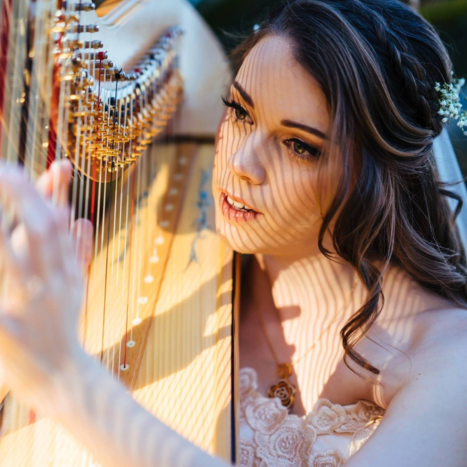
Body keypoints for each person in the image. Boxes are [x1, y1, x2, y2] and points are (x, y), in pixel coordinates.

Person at [0, 0, 466, 466]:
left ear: (378, 176)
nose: (241, 164)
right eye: (241, 111)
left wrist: (67, 380)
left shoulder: (450, 362)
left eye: (299, 146)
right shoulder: (173, 252)